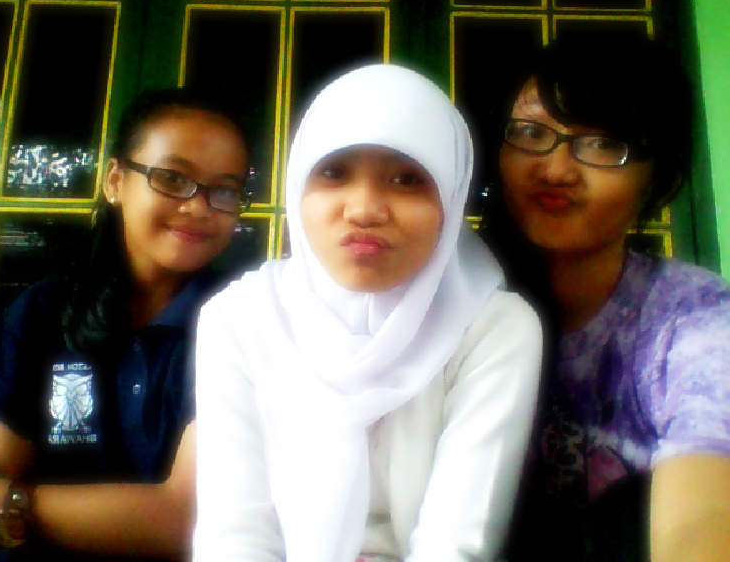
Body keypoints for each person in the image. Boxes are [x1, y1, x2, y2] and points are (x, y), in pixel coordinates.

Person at [193, 64, 542, 561]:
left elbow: (457, 545)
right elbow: (234, 535)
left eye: (407, 179)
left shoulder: (494, 329)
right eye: (334, 172)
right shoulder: (239, 319)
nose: (363, 209)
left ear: (450, 196)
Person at [0, 88, 250, 561]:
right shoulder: (45, 310)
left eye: (224, 190)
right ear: (115, 181)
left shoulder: (245, 320)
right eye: (172, 178)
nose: (199, 206)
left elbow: (187, 522)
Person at [479, 34, 730, 561]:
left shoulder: (692, 319)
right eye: (531, 132)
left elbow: (705, 510)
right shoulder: (455, 296)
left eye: (602, 143)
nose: (556, 170)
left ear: (657, 180)